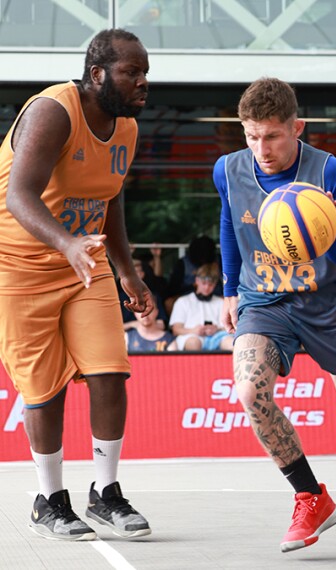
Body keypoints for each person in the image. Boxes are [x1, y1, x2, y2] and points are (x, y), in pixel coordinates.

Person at [213, 77, 336, 551]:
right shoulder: (228, 169)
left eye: (272, 135)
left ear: (297, 127)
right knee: (249, 389)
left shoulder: (328, 171)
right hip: (265, 299)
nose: (261, 147)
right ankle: (310, 495)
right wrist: (228, 290)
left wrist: (315, 237)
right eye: (251, 135)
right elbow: (227, 222)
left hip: (326, 301)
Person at [0, 29, 152, 540]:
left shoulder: (126, 127)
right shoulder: (52, 111)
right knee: (43, 390)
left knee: (110, 370)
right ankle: (50, 499)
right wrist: (66, 243)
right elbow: (20, 195)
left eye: (145, 72)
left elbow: (109, 200)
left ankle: (105, 494)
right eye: (131, 72)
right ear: (97, 75)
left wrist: (129, 272)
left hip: (84, 262)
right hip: (17, 266)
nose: (142, 82)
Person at [169, 262, 233, 351]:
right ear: (197, 281)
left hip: (216, 336)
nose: (207, 287)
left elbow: (229, 327)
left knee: (231, 343)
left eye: (210, 284)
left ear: (215, 285)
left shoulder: (220, 302)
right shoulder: (183, 301)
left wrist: (216, 329)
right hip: (190, 335)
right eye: (204, 283)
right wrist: (193, 331)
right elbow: (176, 329)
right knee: (194, 342)